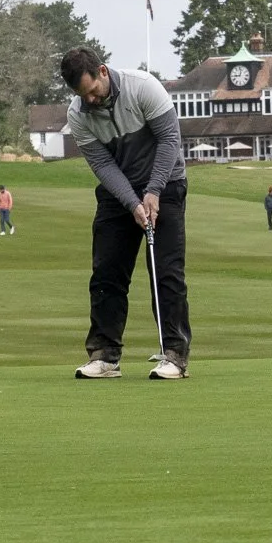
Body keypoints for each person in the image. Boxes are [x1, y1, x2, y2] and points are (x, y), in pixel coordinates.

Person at [60, 48, 191, 380]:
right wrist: (132, 203)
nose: (89, 100)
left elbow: (169, 139)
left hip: (167, 184)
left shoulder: (143, 86)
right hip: (118, 194)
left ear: (103, 72)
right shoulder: (77, 114)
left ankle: (175, 355)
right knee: (106, 273)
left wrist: (153, 191)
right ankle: (104, 356)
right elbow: (103, 164)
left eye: (92, 91)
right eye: (81, 95)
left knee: (166, 273)